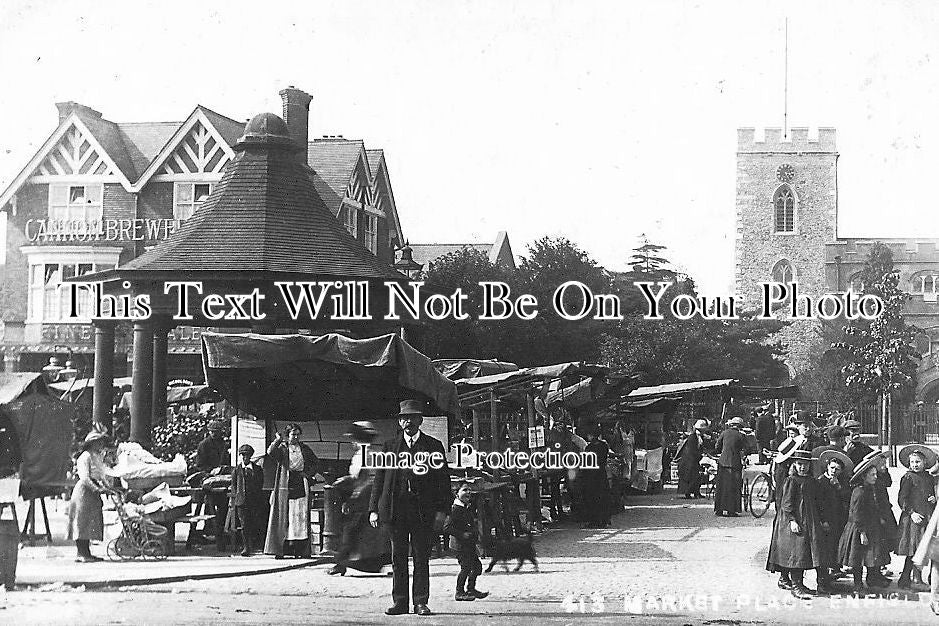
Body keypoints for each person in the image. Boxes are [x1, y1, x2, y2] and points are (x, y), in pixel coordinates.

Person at [369, 399, 452, 617]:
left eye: (412, 418)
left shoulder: (433, 446)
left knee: (421, 558)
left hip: (422, 512)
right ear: (399, 422)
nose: (408, 422)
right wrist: (373, 509)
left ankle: (420, 602)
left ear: (420, 420)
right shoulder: (389, 447)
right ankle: (400, 602)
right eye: (404, 418)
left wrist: (443, 511)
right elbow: (379, 480)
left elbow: (443, 482)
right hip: (396, 511)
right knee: (398, 559)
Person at [329, 421, 391, 576]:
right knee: (365, 531)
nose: (352, 443)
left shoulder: (363, 455)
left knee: (351, 529)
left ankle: (341, 562)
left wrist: (344, 482)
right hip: (370, 494)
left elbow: (360, 477)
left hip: (363, 495)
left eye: (354, 439)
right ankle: (371, 562)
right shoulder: (371, 453)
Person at [766, 450, 827, 599]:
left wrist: (822, 519)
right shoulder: (791, 481)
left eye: (805, 464)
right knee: (797, 551)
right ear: (794, 465)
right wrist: (792, 520)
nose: (802, 467)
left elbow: (818, 501)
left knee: (806, 551)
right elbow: (786, 504)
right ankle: (796, 586)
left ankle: (799, 584)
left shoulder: (812, 481)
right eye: (799, 464)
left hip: (809, 518)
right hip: (794, 519)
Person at [265, 423, 319, 559]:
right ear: (287, 435)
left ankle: (300, 550)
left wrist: (308, 474)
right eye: (293, 434)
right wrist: (277, 440)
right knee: (286, 516)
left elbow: (316, 462)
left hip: (301, 483)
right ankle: (282, 550)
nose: (295, 437)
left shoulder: (304, 448)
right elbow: (270, 451)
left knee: (300, 517)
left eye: (297, 435)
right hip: (286, 484)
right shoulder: (282, 449)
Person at [838, 454, 889, 592]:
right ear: (864, 476)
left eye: (876, 474)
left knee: (868, 556)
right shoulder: (859, 492)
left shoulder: (869, 489)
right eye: (872, 475)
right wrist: (862, 533)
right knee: (857, 559)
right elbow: (857, 514)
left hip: (870, 526)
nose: (875, 477)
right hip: (859, 529)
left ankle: (871, 579)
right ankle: (857, 585)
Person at [896, 444, 938, 590]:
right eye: (912, 462)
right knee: (914, 549)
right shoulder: (908, 477)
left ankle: (908, 579)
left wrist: (933, 499)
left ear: (925, 463)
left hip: (926, 517)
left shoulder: (928, 477)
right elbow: (902, 499)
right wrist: (911, 513)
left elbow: (929, 493)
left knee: (923, 548)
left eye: (918, 462)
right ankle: (913, 579)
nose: (915, 465)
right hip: (914, 519)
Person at [67, 431, 114, 562]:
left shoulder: (96, 456)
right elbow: (85, 478)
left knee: (90, 522)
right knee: (81, 521)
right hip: (84, 492)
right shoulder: (85, 457)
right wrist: (97, 489)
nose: (101, 444)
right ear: (92, 443)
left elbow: (101, 475)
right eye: (98, 442)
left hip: (93, 492)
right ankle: (81, 553)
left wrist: (107, 487)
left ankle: (86, 552)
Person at [814, 449, 853, 590]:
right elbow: (818, 503)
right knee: (825, 549)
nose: (834, 471)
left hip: (838, 519)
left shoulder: (841, 482)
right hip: (826, 520)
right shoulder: (820, 482)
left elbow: (847, 498)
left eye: (837, 469)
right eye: (832, 468)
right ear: (827, 467)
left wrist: (838, 486)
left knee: (835, 547)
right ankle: (823, 580)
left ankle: (833, 572)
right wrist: (823, 520)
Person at [443, 483, 489, 602]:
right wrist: (462, 534)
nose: (468, 492)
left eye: (469, 490)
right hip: (460, 545)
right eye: (464, 490)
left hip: (469, 544)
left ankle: (471, 589)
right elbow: (447, 527)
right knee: (466, 568)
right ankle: (459, 592)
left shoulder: (466, 507)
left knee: (477, 567)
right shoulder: (455, 509)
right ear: (456, 494)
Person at [196, 418, 231, 551]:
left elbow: (228, 460)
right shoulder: (204, 445)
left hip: (222, 478)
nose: (215, 434)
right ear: (209, 432)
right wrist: (210, 471)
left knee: (223, 507)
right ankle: (211, 532)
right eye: (212, 432)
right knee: (210, 507)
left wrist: (223, 468)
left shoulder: (224, 444)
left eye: (217, 432)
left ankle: (220, 533)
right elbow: (199, 465)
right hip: (209, 478)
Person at [227, 444, 265, 556]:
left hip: (254, 501)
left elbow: (260, 483)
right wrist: (237, 498)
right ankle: (246, 547)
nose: (245, 458)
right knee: (244, 525)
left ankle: (257, 545)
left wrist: (257, 496)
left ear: (251, 456)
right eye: (243, 455)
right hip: (242, 502)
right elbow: (234, 485)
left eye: (247, 455)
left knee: (255, 523)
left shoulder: (257, 469)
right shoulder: (237, 470)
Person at [579, 422, 611, 529]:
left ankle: (594, 520)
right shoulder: (604, 446)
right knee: (602, 498)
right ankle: (604, 520)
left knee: (592, 498)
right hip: (601, 474)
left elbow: (586, 462)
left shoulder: (589, 447)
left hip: (592, 476)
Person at [713, 416, 747, 517]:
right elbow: (747, 449)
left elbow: (717, 446)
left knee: (721, 486)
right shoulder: (741, 435)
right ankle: (731, 510)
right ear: (740, 426)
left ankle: (719, 509)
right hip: (734, 463)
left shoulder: (724, 433)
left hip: (723, 462)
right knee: (733, 486)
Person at [675, 419, 709, 499]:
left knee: (697, 477)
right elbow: (691, 450)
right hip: (688, 460)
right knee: (689, 477)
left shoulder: (700, 437)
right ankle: (688, 493)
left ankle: (697, 492)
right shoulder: (692, 437)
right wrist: (700, 455)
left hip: (695, 460)